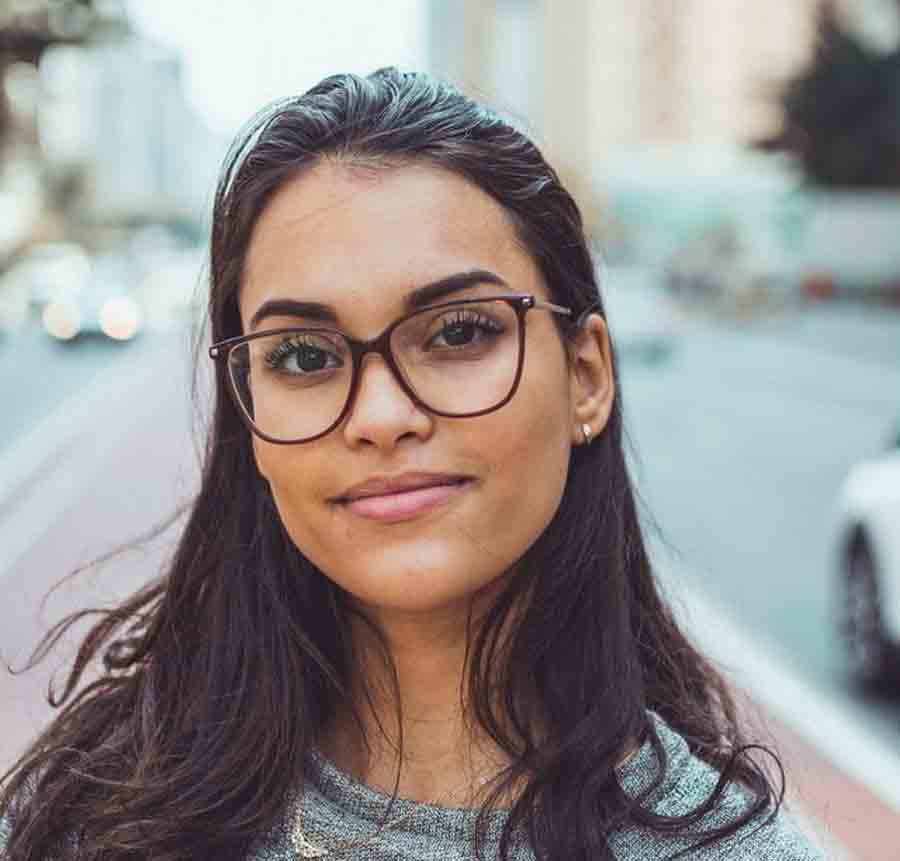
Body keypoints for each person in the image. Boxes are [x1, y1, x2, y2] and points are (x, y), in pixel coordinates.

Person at [0, 67, 822, 860]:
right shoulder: (89, 821)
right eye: (301, 355)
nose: (381, 415)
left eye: (458, 332)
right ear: (248, 412)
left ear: (585, 376)